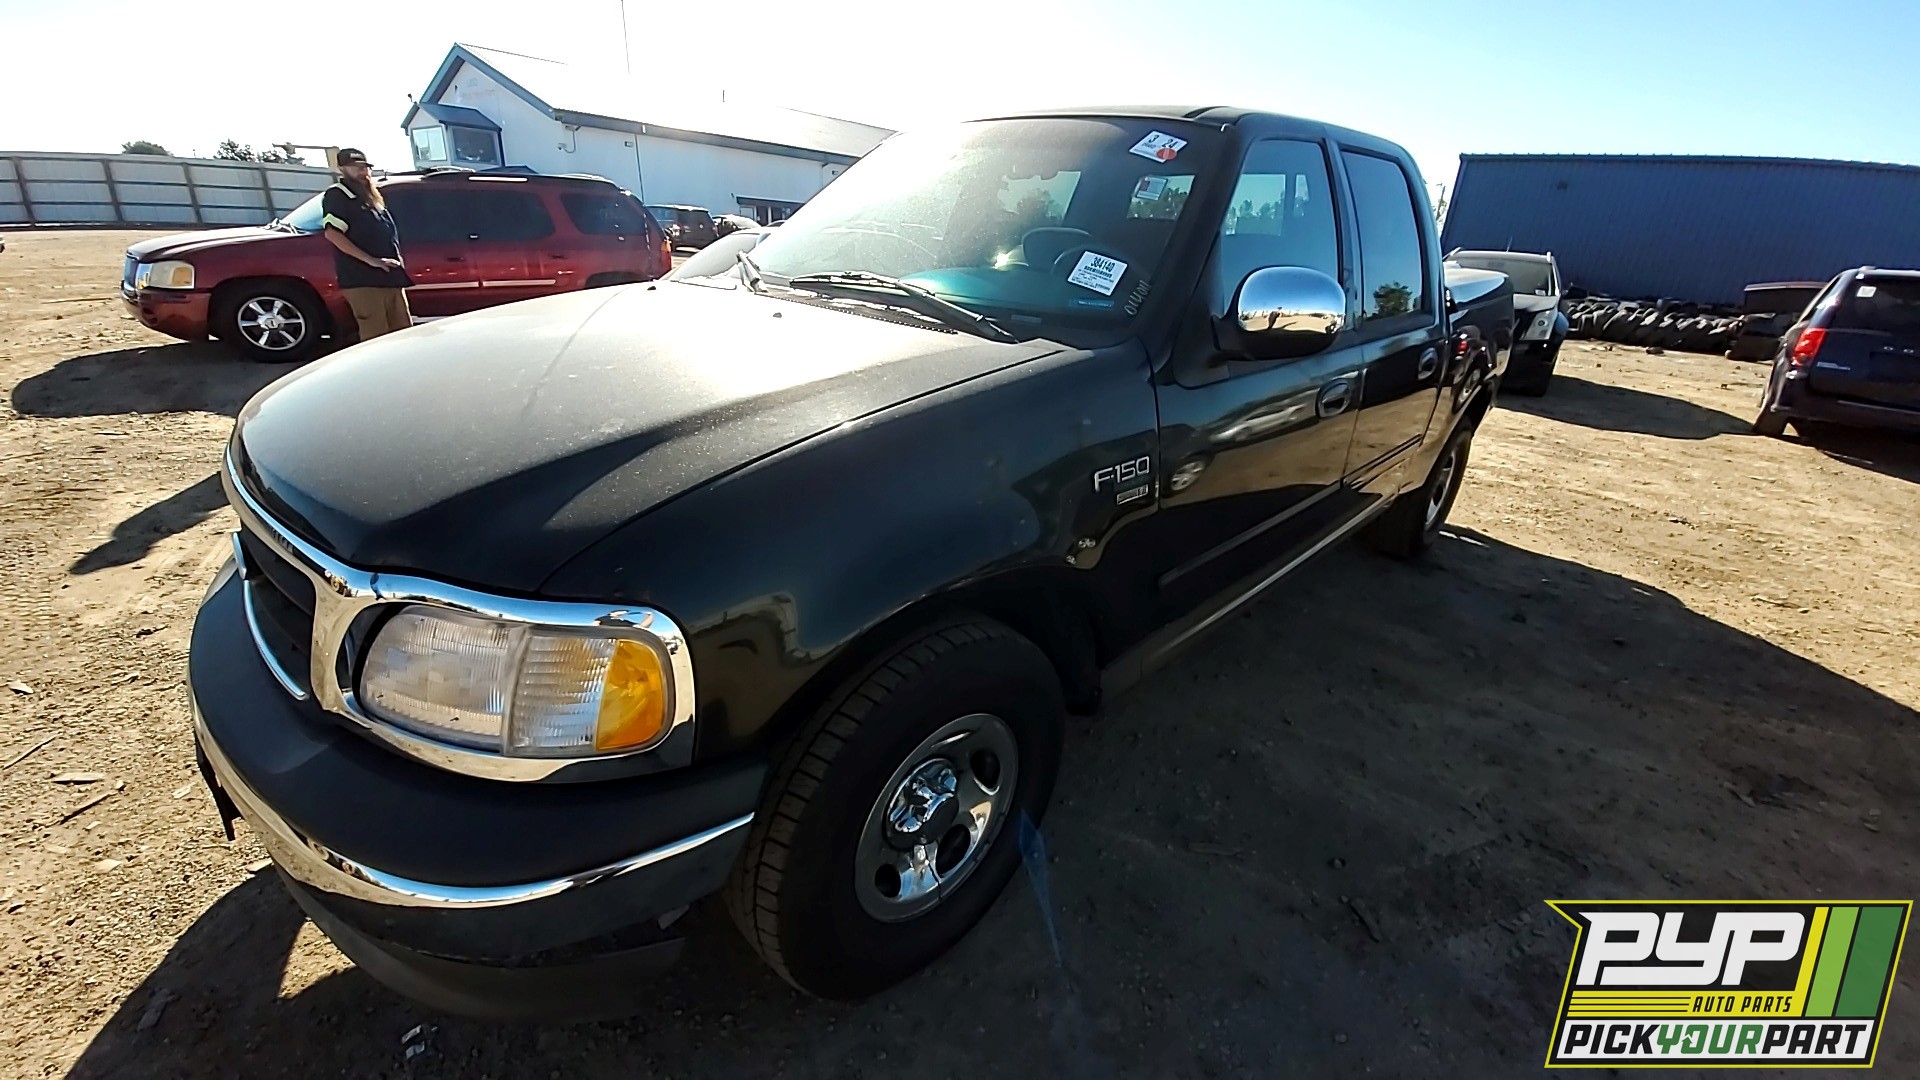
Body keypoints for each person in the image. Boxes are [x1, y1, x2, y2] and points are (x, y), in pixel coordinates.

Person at [320, 148, 414, 341]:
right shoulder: (338, 195)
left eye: (364, 167)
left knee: (403, 334)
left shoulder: (371, 196)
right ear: (342, 169)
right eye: (355, 168)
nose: (362, 172)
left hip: (390, 279)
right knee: (376, 338)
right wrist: (371, 261)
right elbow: (332, 233)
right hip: (364, 281)